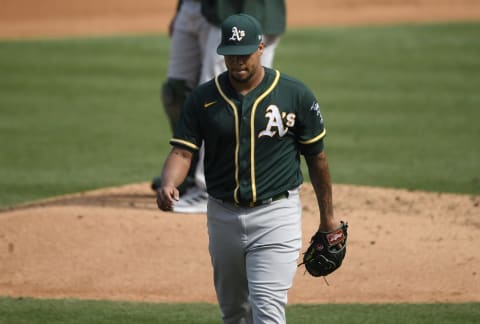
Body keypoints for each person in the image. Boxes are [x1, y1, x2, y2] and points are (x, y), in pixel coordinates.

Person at [156, 14, 342, 324]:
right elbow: (182, 152)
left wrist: (328, 218)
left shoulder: (294, 94)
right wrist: (168, 183)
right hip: (222, 216)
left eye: (244, 53)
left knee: (268, 312)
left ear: (261, 46)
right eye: (230, 54)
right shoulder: (204, 98)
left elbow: (317, 159)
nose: (237, 61)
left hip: (276, 216)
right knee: (234, 313)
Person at [152, 0, 286, 213]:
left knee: (221, 97)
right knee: (177, 93)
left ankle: (212, 187)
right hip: (204, 8)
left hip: (239, 10)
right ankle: (187, 175)